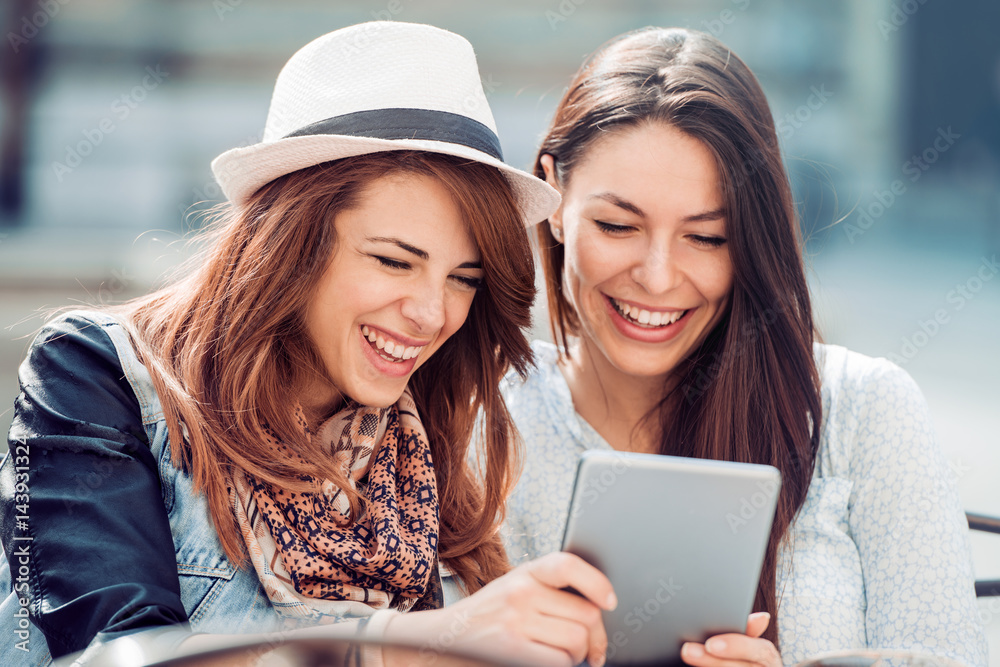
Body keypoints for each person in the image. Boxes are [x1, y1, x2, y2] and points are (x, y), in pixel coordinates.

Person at [0, 22, 617, 667]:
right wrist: (423, 643)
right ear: (292, 246)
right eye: (393, 262)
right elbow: (112, 656)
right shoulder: (96, 373)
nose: (433, 314)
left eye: (464, 279)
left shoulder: (432, 436)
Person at [494, 27, 988, 666]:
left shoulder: (860, 410)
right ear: (554, 197)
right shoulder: (484, 426)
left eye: (708, 238)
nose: (658, 276)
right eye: (618, 225)